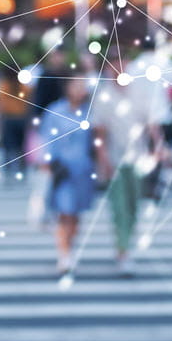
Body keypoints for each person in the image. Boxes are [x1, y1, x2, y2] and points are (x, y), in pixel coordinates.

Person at [100, 52, 158, 276]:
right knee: (119, 208)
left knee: (133, 206)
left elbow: (151, 124)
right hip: (116, 160)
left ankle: (125, 245)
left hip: (139, 159)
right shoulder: (104, 96)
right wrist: (104, 161)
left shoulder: (140, 92)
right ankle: (122, 251)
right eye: (115, 65)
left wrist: (157, 148)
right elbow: (100, 134)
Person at [40, 73, 104, 277]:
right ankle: (64, 254)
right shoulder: (55, 111)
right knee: (64, 212)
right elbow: (46, 139)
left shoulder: (89, 112)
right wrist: (47, 163)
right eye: (76, 85)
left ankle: (70, 248)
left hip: (83, 171)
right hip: (62, 170)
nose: (79, 89)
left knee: (76, 214)